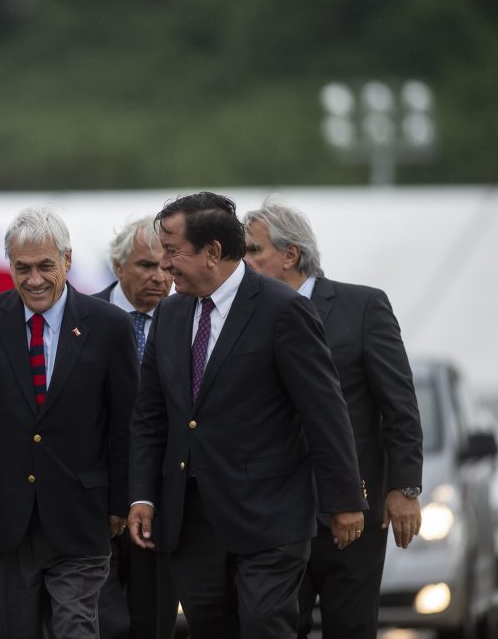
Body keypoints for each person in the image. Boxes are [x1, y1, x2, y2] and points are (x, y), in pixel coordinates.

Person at [127, 191, 367, 639]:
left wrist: (345, 499)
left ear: (213, 252)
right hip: (192, 519)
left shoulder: (284, 309)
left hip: (269, 517)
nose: (164, 264)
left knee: (262, 627)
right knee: (210, 628)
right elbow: (150, 416)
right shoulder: (171, 314)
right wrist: (142, 494)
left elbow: (325, 411)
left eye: (173, 251)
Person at [0, 206, 139, 639]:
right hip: (5, 518)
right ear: (9, 265)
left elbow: (127, 424)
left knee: (75, 630)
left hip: (82, 519)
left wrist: (120, 502)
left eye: (45, 266)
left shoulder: (109, 325)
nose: (34, 279)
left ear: (67, 261)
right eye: (22, 268)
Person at [243, 197, 422, 639]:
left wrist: (404, 487)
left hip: (352, 503)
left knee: (351, 626)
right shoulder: (243, 316)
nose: (243, 261)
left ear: (290, 254)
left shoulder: (362, 307)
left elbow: (398, 403)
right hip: (274, 509)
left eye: (253, 251)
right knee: (276, 625)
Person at [91, 217, 176, 639]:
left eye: (167, 266)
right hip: (89, 502)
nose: (159, 277)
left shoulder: (191, 322)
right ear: (118, 265)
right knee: (101, 624)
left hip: (161, 502)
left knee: (152, 622)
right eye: (146, 265)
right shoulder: (81, 319)